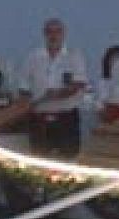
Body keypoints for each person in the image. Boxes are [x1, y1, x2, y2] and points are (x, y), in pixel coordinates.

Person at [19, 17, 89, 156]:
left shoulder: (74, 56)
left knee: (68, 159)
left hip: (66, 118)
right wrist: (28, 103)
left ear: (63, 34)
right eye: (50, 32)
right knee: (39, 159)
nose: (53, 35)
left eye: (57, 32)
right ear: (44, 34)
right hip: (39, 118)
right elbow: (23, 86)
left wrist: (56, 94)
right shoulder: (33, 57)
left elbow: (78, 84)